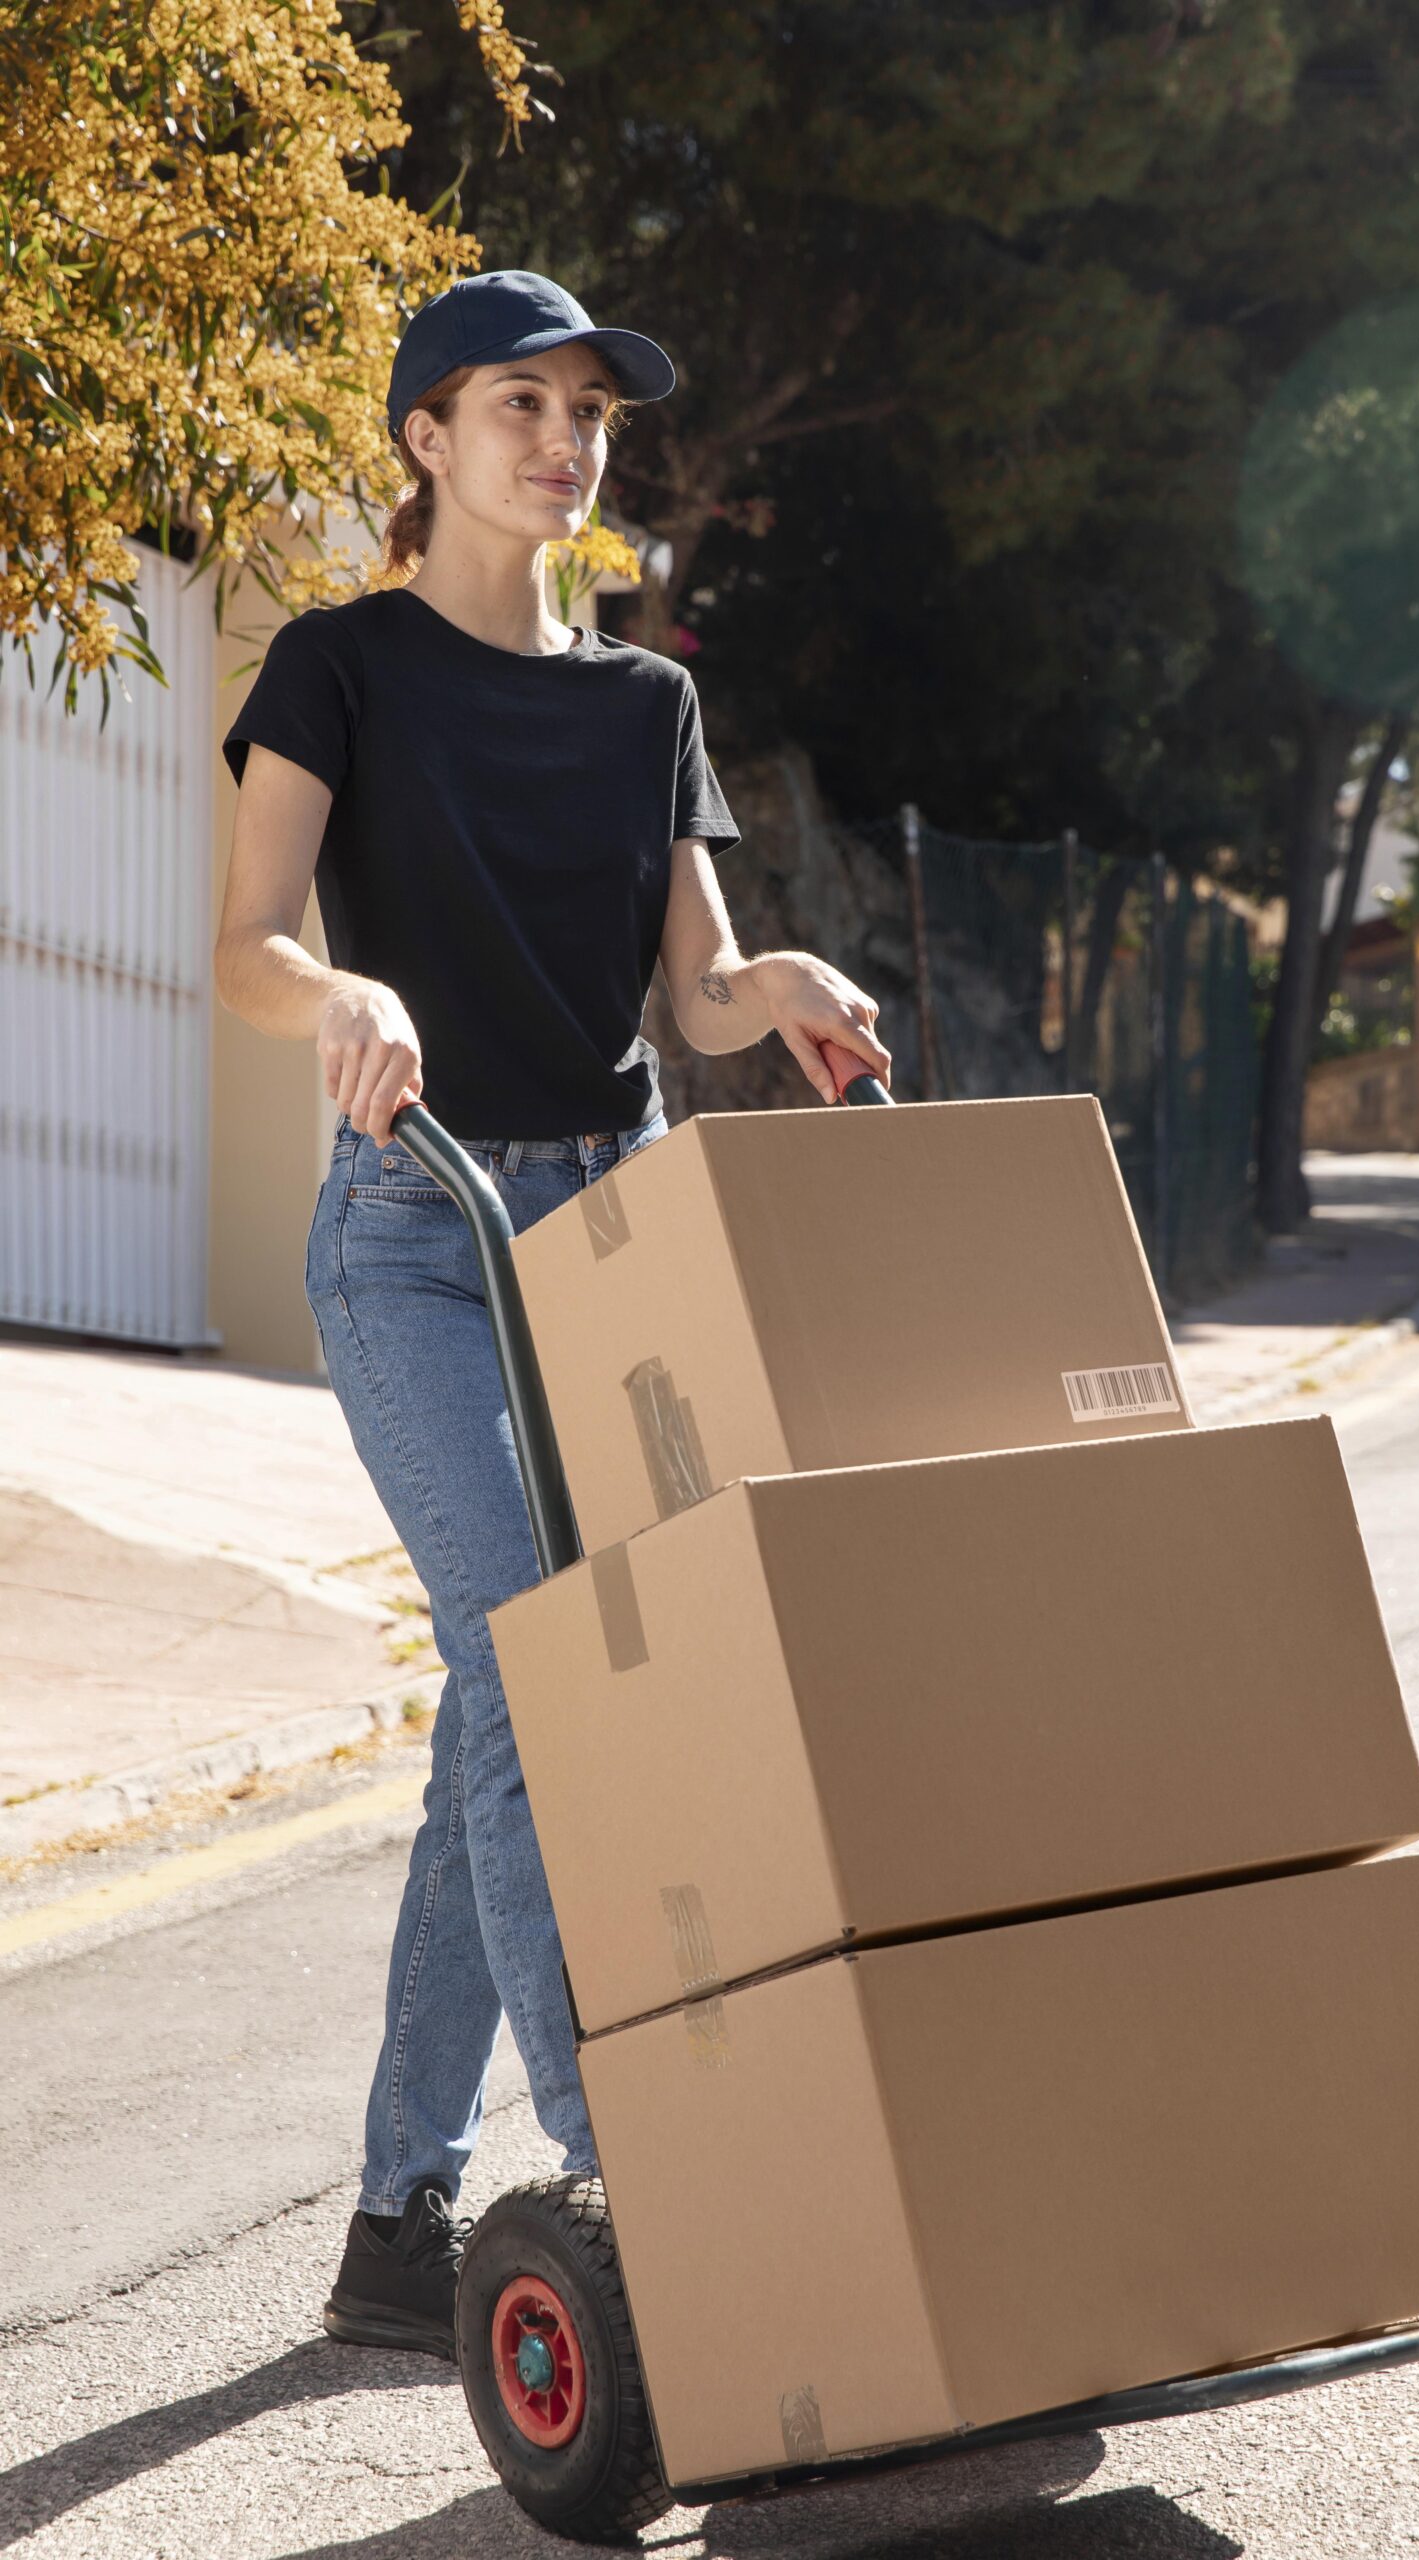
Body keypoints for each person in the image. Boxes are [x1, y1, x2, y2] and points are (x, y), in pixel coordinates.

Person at [214, 269, 891, 2358]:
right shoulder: (335, 668)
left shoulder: (644, 705)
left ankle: (396, 2223)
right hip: (417, 1232)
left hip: (607, 1239)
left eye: (590, 409)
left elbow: (687, 994)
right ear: (424, 437)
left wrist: (773, 989)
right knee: (538, 1673)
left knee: (511, 1700)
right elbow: (245, 941)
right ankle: (634, 2180)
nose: (565, 439)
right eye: (521, 400)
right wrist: (346, 992)